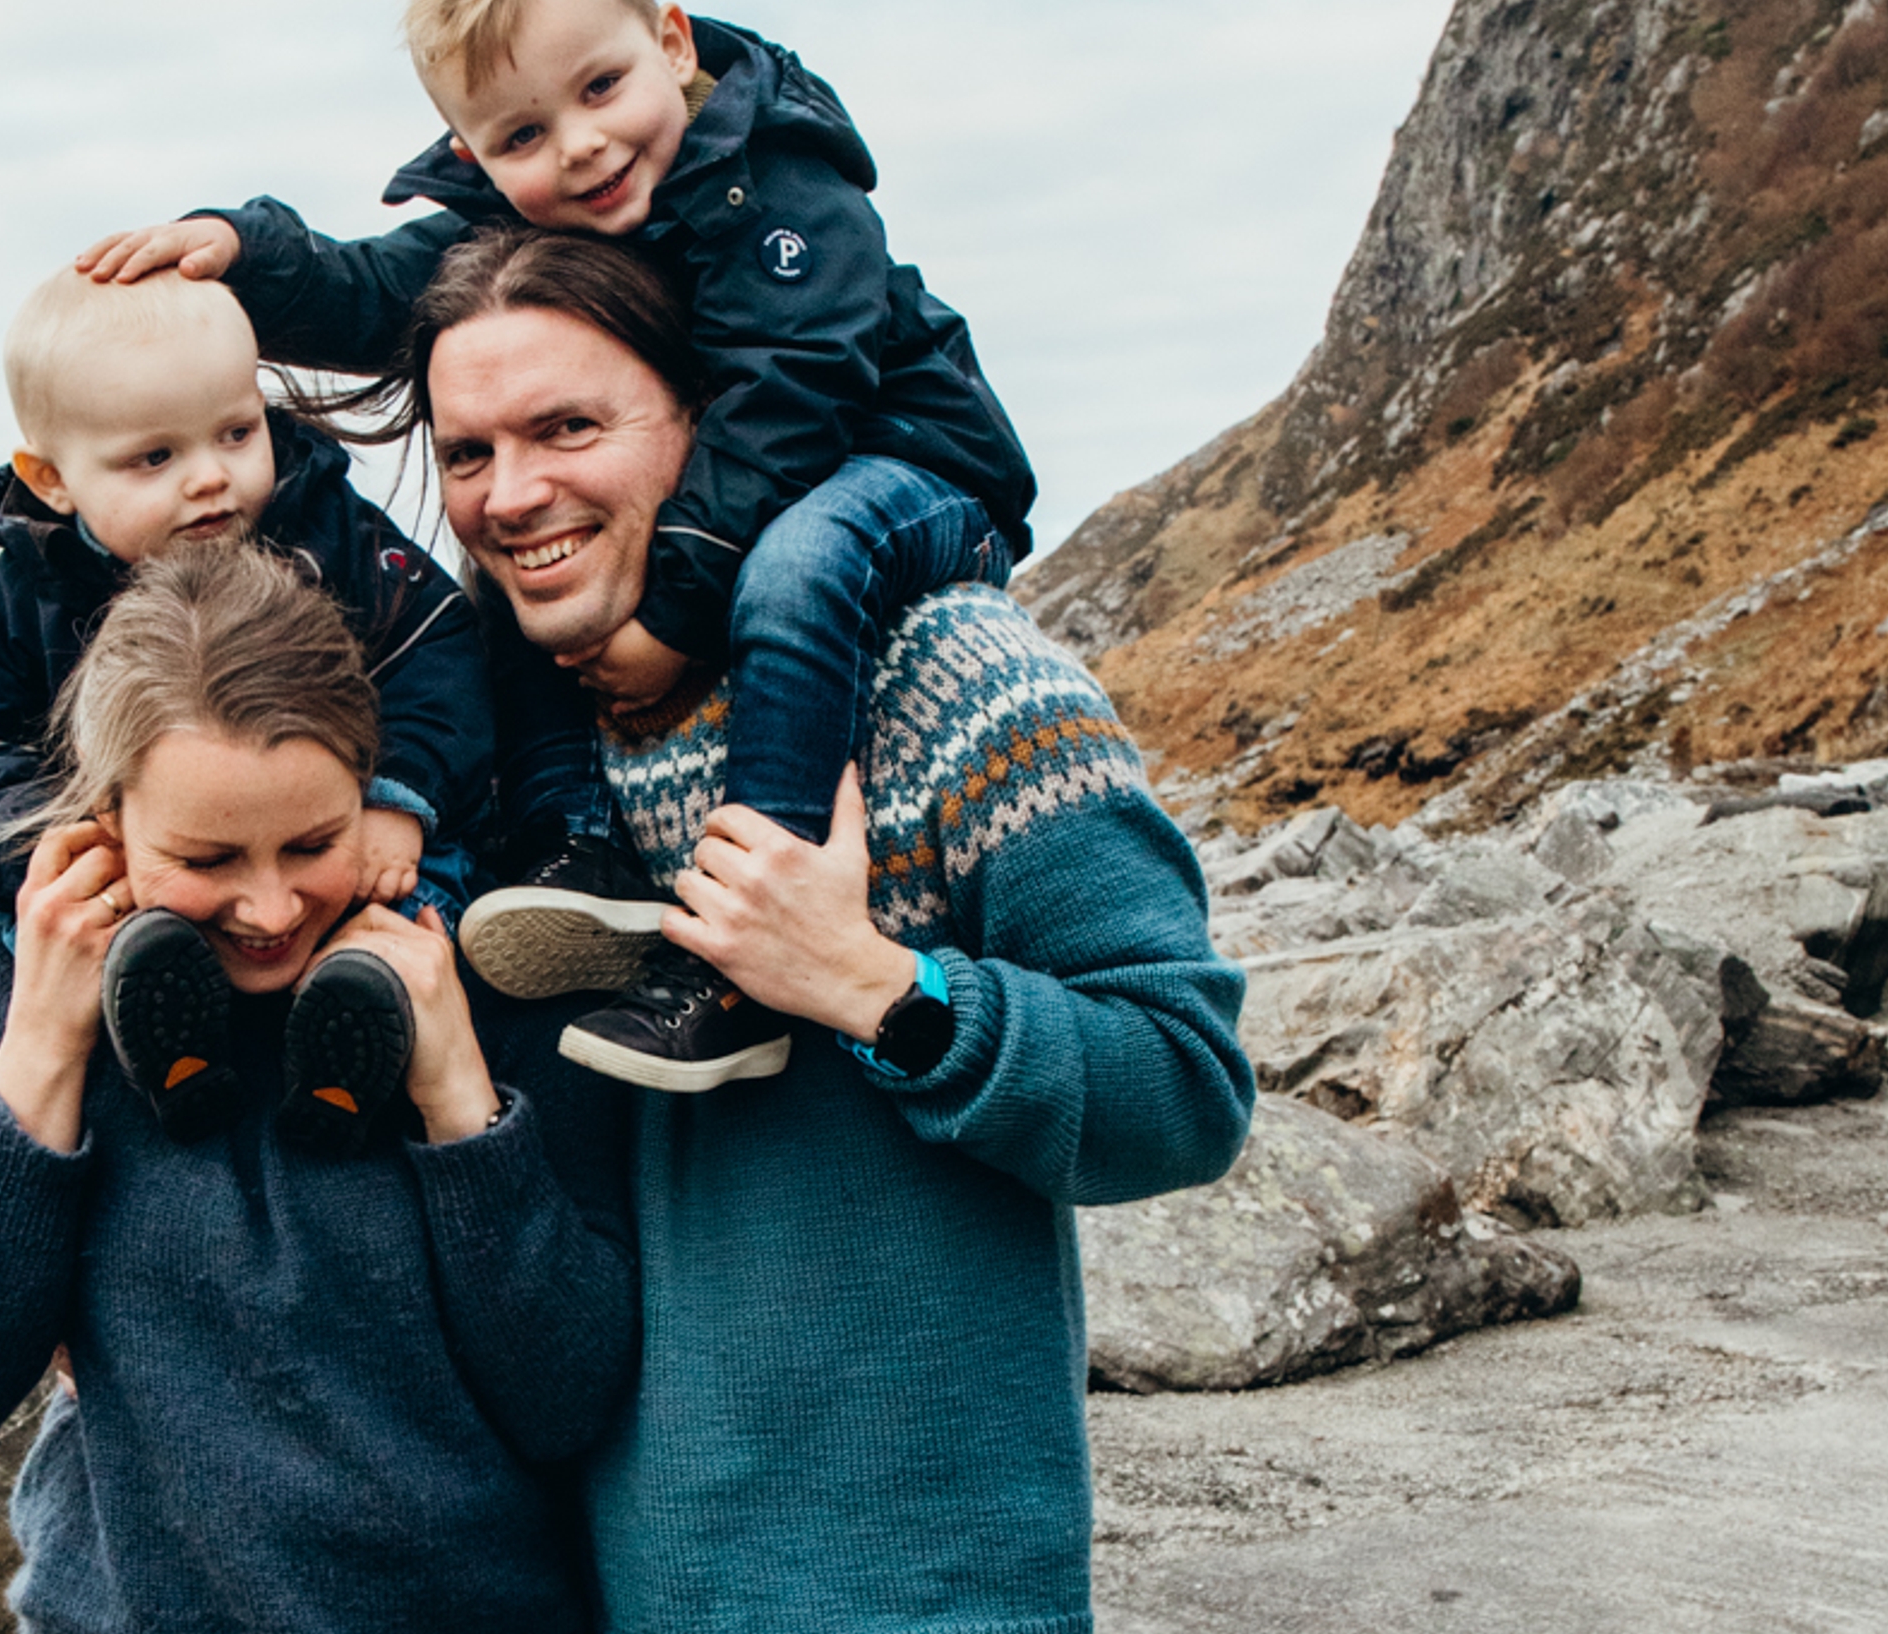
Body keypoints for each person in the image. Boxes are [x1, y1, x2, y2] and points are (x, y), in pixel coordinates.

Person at [402, 226, 1254, 1634]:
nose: (513, 493)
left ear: (706, 415)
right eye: (469, 451)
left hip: (924, 1591)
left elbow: (1185, 1090)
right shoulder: (501, 767)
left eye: (568, 428)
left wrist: (872, 987)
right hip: (614, 1585)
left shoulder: (951, 677)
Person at [79, 0, 1035, 1095]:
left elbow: (795, 392)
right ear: (474, 158)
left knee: (800, 562)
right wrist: (242, 250)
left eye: (601, 88)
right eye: (526, 130)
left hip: (917, 462)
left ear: (675, 44)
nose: (580, 148)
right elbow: (375, 287)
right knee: (510, 604)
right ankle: (576, 846)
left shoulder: (776, 191)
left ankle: (753, 918)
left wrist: (674, 619)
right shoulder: (549, 219)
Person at [0, 541, 638, 1633]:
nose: (272, 909)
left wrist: (459, 1098)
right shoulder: (15, 975)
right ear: (109, 821)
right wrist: (44, 1040)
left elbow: (568, 1397)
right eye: (208, 859)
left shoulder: (483, 963)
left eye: (313, 843)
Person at [0, 265, 490, 1152]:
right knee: (54, 930)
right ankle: (160, 1042)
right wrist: (59, 854)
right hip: (127, 900)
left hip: (372, 868)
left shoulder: (331, 531)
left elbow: (440, 653)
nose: (212, 478)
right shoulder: (24, 596)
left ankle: (360, 1029)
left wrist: (393, 799)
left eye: (238, 433)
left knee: (426, 887)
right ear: (51, 479)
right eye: (156, 457)